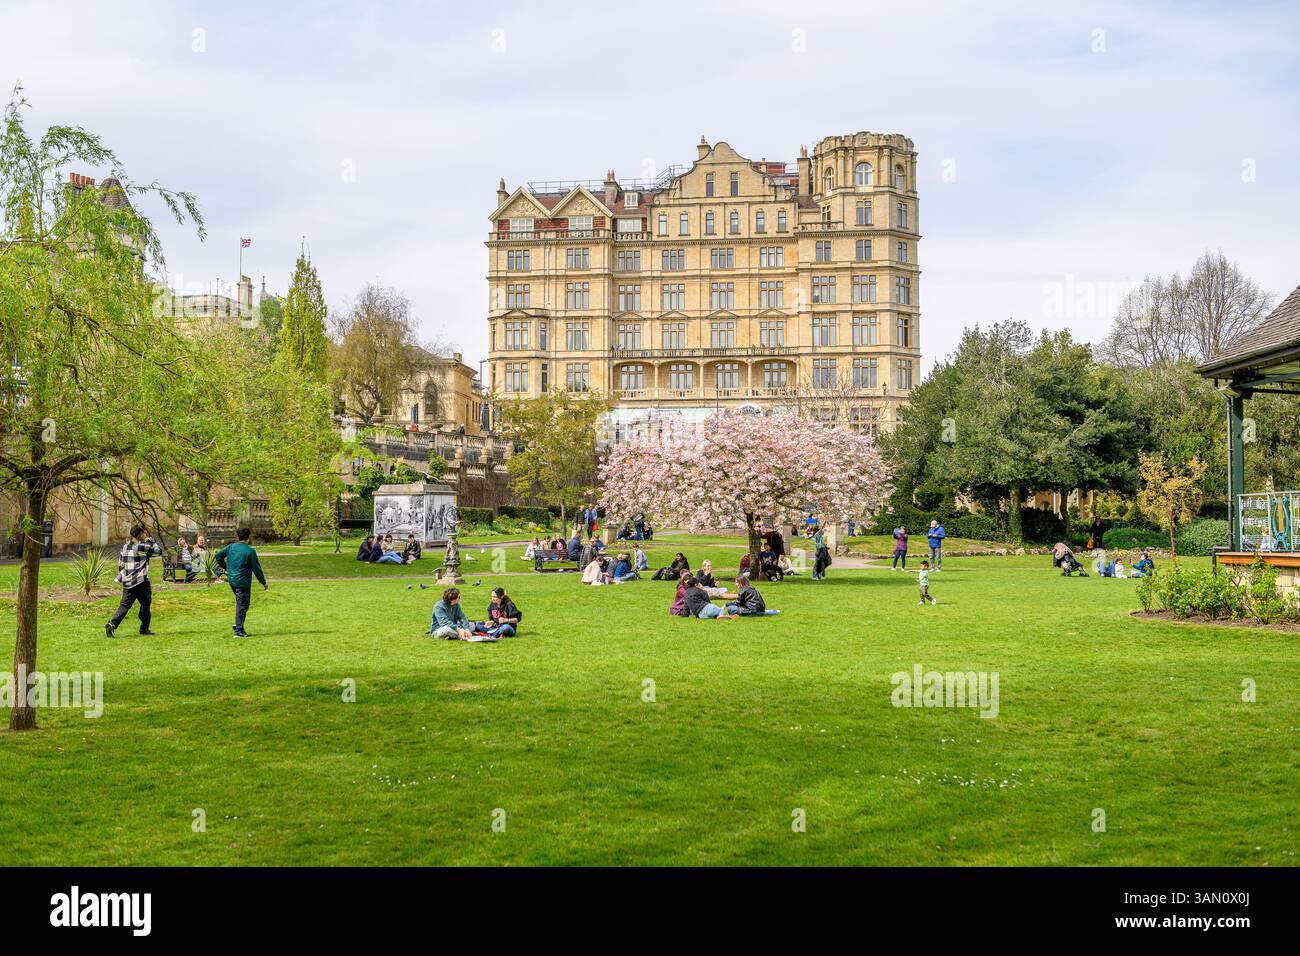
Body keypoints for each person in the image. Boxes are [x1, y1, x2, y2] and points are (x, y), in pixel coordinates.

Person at [106, 525, 163, 638]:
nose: (145, 535)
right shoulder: (142, 546)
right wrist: (152, 541)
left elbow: (121, 564)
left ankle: (112, 624)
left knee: (125, 605)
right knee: (146, 604)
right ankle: (144, 629)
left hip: (127, 581)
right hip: (141, 580)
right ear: (140, 535)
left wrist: (126, 575)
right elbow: (158, 552)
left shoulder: (125, 547)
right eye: (144, 533)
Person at [215, 527, 268, 638]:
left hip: (232, 580)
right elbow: (256, 568)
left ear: (237, 537)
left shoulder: (231, 547)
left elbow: (218, 556)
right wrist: (263, 582)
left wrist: (226, 567)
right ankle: (238, 631)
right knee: (243, 604)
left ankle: (239, 624)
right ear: (248, 538)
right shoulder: (250, 551)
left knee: (243, 603)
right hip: (242, 582)